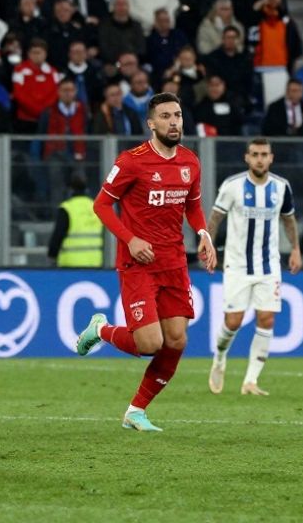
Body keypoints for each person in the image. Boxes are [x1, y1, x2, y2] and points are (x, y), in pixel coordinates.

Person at [73, 93, 216, 432]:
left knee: (177, 339)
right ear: (151, 123)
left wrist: (203, 233)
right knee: (150, 344)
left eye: (178, 115)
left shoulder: (190, 162)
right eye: (165, 116)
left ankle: (136, 411)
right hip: (138, 263)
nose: (174, 122)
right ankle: (101, 329)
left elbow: (192, 206)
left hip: (174, 262)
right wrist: (130, 239)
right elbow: (102, 206)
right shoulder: (131, 161)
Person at [206, 138, 301, 396]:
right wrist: (209, 246)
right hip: (236, 264)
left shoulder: (282, 187)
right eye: (255, 154)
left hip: (269, 265)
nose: (260, 159)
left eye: (264, 154)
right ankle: (220, 356)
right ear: (247, 158)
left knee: (266, 318)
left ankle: (250, 381)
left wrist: (295, 249)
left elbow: (288, 220)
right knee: (233, 321)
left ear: (271, 158)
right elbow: (215, 218)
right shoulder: (232, 186)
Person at [48, 176, 103, 267]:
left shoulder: (67, 208)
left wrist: (52, 255)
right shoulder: (96, 207)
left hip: (71, 263)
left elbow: (58, 235)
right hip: (96, 262)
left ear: (70, 190)